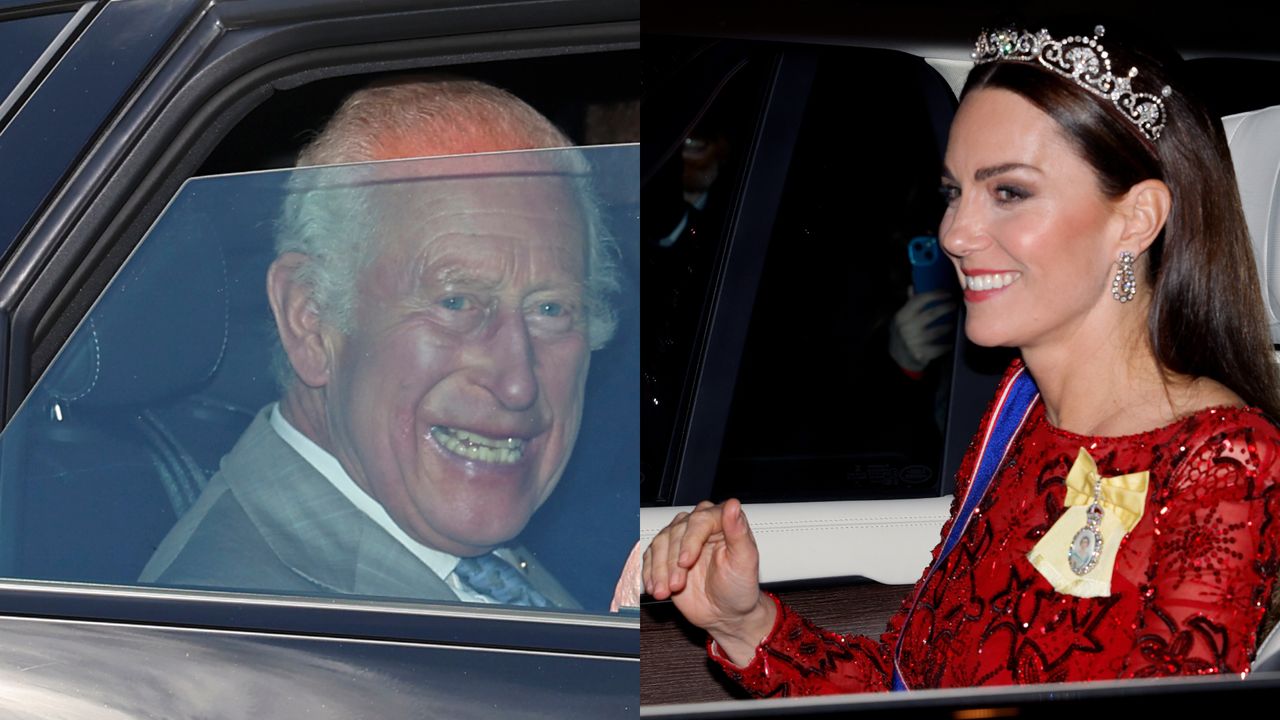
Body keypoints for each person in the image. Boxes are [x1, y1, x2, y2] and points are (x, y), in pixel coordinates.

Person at [643, 24, 1280, 693]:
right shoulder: (1020, 413)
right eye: (954, 193)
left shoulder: (1222, 460)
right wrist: (744, 623)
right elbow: (910, 684)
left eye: (1008, 192)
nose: (954, 233)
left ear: (1136, 219)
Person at [141, 77, 622, 608]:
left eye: (551, 309)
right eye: (456, 302)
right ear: (311, 318)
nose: (516, 383)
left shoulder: (453, 557)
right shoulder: (250, 629)